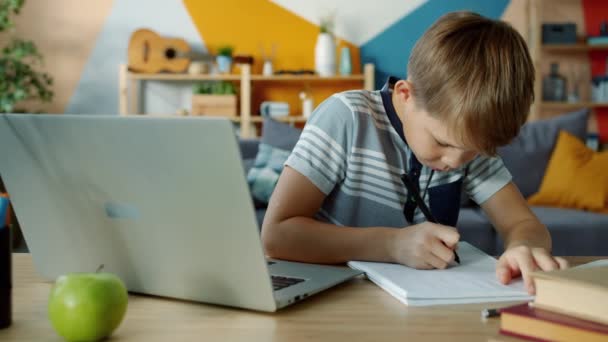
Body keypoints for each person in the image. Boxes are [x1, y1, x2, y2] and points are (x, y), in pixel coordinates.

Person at [261, 11, 568, 295]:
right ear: (405, 95)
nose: (454, 162)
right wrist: (391, 244)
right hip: (332, 298)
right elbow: (276, 236)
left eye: (474, 151)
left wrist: (522, 247)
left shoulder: (467, 142)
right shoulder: (346, 118)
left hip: (422, 308)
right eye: (442, 143)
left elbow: (524, 225)